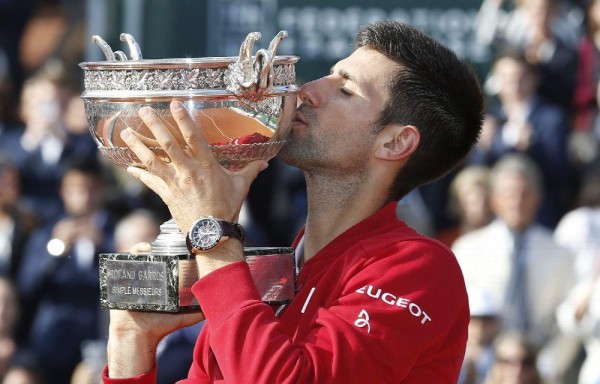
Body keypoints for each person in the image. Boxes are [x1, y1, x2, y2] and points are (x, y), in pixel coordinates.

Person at [102, 21, 484, 383]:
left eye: (345, 90)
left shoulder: (420, 269)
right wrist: (130, 342)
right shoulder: (267, 273)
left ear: (395, 142)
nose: (308, 90)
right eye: (329, 74)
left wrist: (211, 230)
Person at [452, 153, 577, 383]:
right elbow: (456, 316)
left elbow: (571, 318)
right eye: (509, 194)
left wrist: (549, 364)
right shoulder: (467, 250)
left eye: (524, 193)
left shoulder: (561, 254)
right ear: (494, 200)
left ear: (537, 199)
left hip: (544, 371)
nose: (516, 201)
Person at [17, 159, 114, 384]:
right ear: (63, 191)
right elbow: (27, 286)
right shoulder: (46, 232)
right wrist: (55, 250)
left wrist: (104, 248)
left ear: (102, 189)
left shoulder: (115, 231)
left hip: (99, 337)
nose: (84, 196)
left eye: (91, 188)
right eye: (77, 189)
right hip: (53, 340)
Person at [469, 50, 574, 228]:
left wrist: (531, 148)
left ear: (534, 79)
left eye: (520, 76)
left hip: (538, 217)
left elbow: (561, 178)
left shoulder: (551, 119)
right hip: (492, 217)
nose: (514, 84)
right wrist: (483, 147)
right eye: (506, 77)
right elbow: (475, 173)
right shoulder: (488, 119)